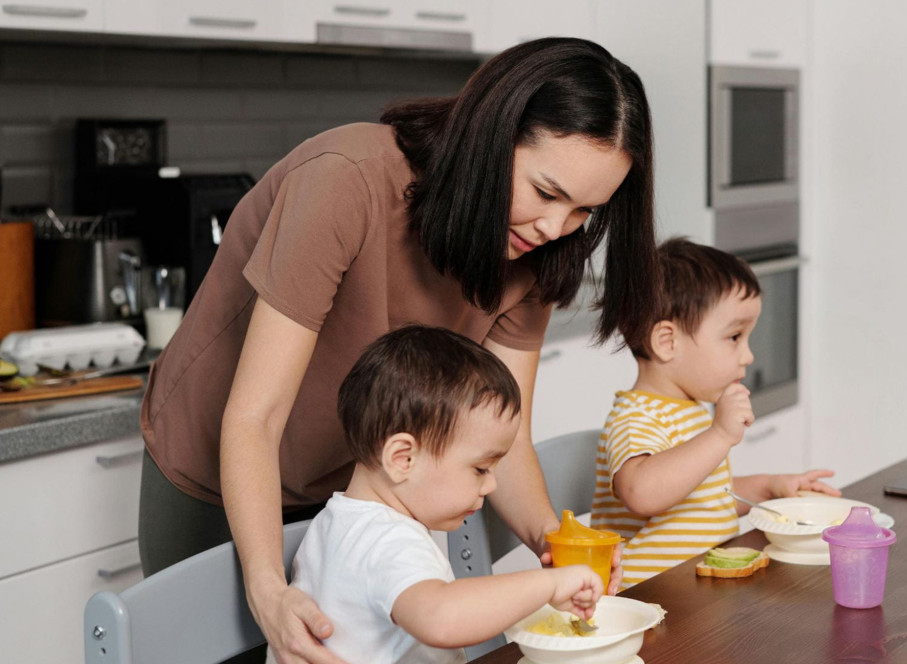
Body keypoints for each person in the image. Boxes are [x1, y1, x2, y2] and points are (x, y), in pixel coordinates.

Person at [137, 37, 656, 664]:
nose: (555, 227)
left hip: (362, 485)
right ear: (492, 137)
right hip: (224, 469)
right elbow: (254, 418)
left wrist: (555, 541)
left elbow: (506, 435)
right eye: (546, 193)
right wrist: (269, 588)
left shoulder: (535, 253)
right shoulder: (345, 180)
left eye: (584, 211)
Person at [286, 325, 603, 664]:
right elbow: (441, 616)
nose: (491, 485)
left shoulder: (334, 523)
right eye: (480, 469)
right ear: (402, 458)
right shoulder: (388, 540)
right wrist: (551, 585)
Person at [590, 238, 840, 589]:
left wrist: (769, 488)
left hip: (697, 597)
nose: (748, 355)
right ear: (667, 342)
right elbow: (642, 493)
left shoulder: (690, 409)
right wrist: (719, 435)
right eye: (735, 337)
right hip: (646, 599)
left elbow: (705, 498)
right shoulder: (637, 417)